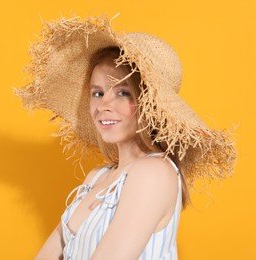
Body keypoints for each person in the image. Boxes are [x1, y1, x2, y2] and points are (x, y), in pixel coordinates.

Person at [15, 15, 236, 260]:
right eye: (97, 93)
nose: (103, 105)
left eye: (122, 92)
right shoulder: (97, 177)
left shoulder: (154, 173)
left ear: (151, 105)